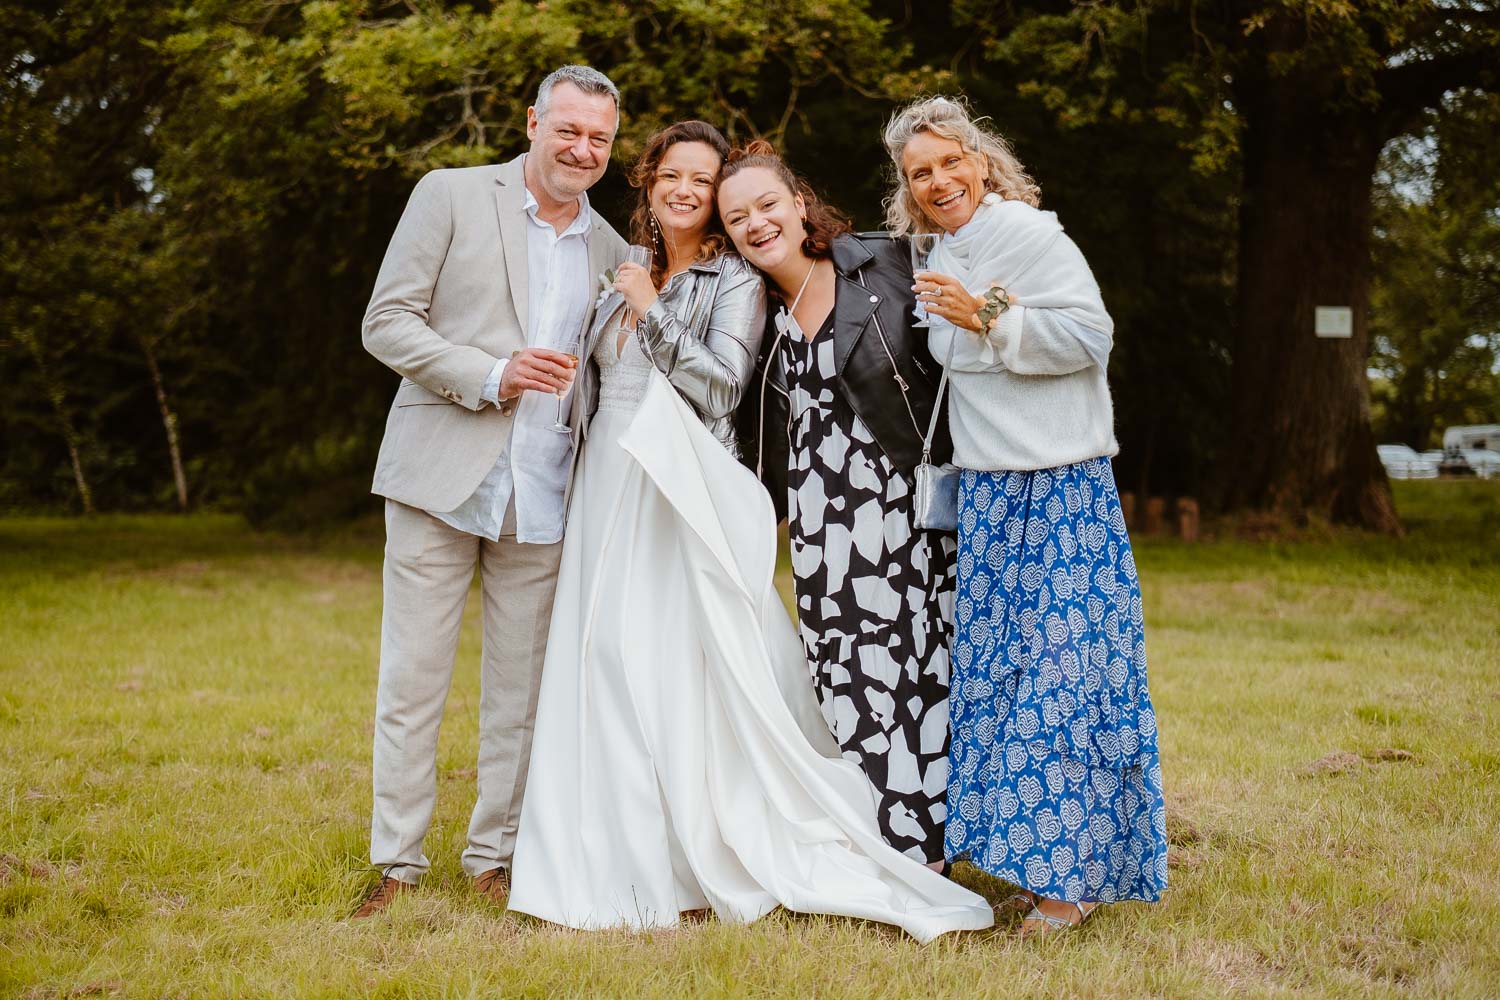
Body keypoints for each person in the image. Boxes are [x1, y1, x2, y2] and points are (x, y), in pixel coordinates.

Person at [506, 124, 992, 942]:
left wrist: (651, 309)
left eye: (717, 185)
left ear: (797, 205)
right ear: (649, 183)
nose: (691, 192)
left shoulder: (741, 280)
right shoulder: (629, 270)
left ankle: (917, 842)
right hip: (639, 490)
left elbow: (724, 390)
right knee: (624, 664)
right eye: (677, 176)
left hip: (717, 482)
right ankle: (614, 845)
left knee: (884, 664)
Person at [883, 95, 1167, 935]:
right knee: (1010, 684)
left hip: (1061, 485)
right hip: (994, 495)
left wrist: (989, 316)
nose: (938, 182)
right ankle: (1040, 862)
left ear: (981, 160)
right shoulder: (941, 250)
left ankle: (1071, 884)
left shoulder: (1029, 236)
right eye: (919, 173)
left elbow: (1091, 335)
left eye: (948, 163)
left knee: (1066, 681)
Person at [353, 65, 627, 918]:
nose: (583, 149)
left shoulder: (615, 250)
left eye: (600, 139)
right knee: (413, 680)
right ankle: (397, 865)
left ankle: (494, 857)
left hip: (547, 494)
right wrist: (492, 373)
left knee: (521, 692)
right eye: (569, 130)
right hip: (440, 479)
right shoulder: (451, 194)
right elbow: (386, 321)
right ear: (534, 121)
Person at [716, 142, 956, 871]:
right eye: (737, 218)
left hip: (901, 508)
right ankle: (876, 837)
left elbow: (966, 343)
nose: (757, 224)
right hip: (820, 530)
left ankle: (928, 847)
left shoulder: (887, 262)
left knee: (918, 669)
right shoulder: (754, 311)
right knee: (845, 676)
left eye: (766, 205)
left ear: (798, 202)